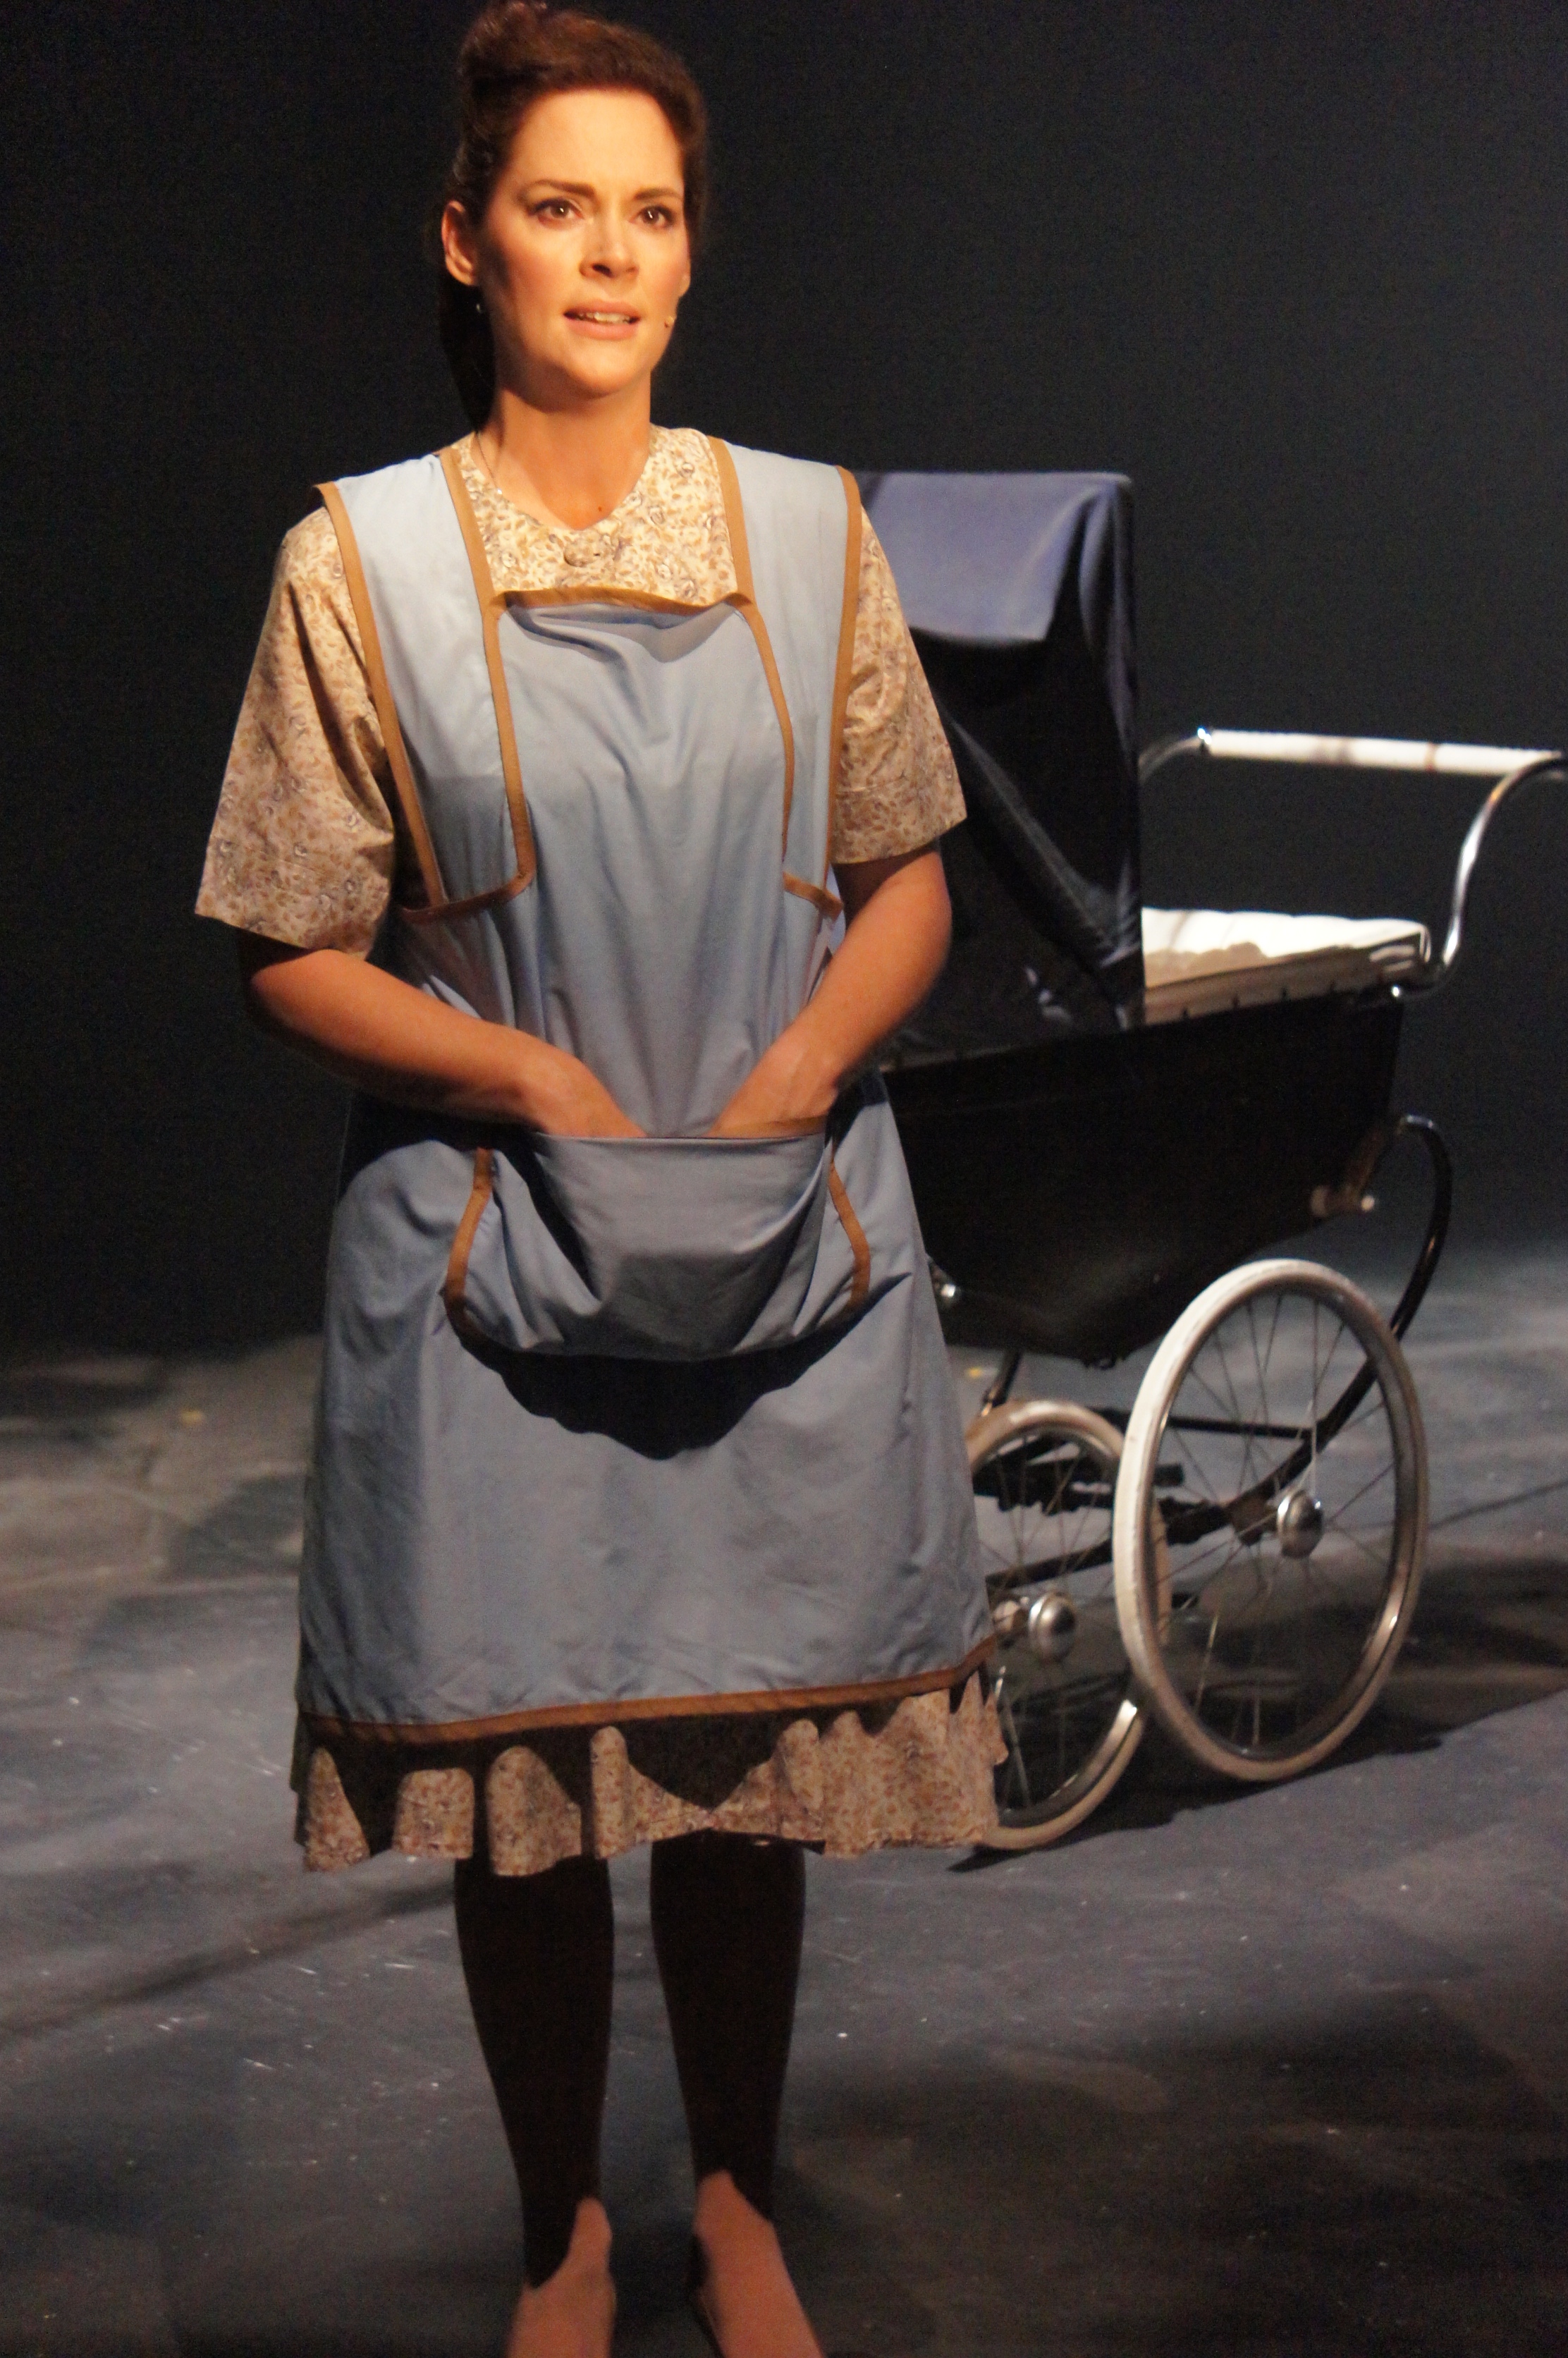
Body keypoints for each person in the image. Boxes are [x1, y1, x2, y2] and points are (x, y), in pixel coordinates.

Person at [197, 7, 998, 2353]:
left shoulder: (806, 533)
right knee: (525, 1766)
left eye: (651, 212)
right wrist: (518, 1076)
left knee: (746, 1751)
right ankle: (560, 2224)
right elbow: (282, 935)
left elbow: (911, 872)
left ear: (691, 253)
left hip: (780, 1227)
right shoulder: (361, 559)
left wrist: (805, 1065)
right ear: (470, 242)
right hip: (493, 1248)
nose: (612, 254)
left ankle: (737, 2202)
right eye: (561, 207)